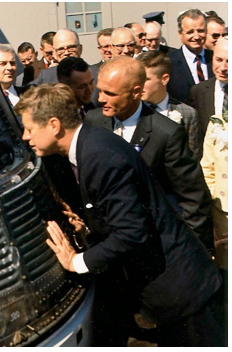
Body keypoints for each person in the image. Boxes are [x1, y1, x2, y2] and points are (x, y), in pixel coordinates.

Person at [16, 83, 224, 346]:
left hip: (183, 293)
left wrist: (76, 261)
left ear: (54, 125)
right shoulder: (92, 143)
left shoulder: (99, 157)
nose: (25, 136)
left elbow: (132, 233)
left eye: (30, 129)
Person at [85, 56, 214, 254]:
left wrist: (186, 250)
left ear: (136, 92)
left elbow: (193, 199)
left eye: (110, 93)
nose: (101, 99)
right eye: (100, 90)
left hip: (155, 247)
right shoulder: (93, 121)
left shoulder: (166, 133)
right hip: (109, 246)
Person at [136, 50, 204, 160]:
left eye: (146, 79)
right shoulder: (132, 110)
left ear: (164, 79)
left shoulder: (187, 113)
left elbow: (193, 157)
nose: (139, 84)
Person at [199, 37, 229, 268]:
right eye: (219, 60)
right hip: (223, 209)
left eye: (230, 61)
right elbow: (207, 167)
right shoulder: (215, 121)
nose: (224, 66)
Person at [168, 9, 214, 104]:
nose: (196, 36)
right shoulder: (169, 62)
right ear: (180, 34)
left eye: (200, 31)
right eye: (190, 32)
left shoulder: (215, 59)